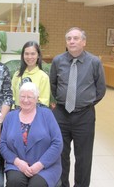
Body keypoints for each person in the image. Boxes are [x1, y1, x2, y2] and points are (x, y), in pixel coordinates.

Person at [50, 27, 106, 187]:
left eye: (75, 38)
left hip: (84, 116)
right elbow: (53, 84)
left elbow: (100, 89)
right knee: (60, 154)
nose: (72, 41)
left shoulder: (94, 62)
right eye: (69, 39)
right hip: (61, 114)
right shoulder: (58, 61)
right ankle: (62, 184)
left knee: (83, 156)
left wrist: (84, 103)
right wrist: (64, 101)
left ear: (84, 42)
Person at [11, 41, 50, 108]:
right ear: (23, 55)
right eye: (26, 54)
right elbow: (12, 96)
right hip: (17, 113)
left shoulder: (43, 77)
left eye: (33, 54)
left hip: (35, 114)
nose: (29, 57)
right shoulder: (17, 75)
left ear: (38, 55)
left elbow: (44, 102)